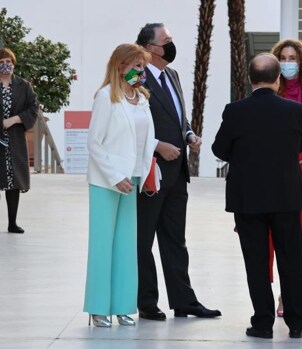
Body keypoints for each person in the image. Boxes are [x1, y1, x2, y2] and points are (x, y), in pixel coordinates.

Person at [212, 53, 302, 339]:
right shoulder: (293, 110)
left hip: (248, 197)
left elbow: (220, 149)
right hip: (286, 196)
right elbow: (301, 144)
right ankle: (297, 322)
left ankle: (263, 322)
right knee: (292, 259)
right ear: (278, 80)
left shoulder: (234, 110)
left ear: (251, 79)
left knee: (255, 262)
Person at [135, 23, 220, 320]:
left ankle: (184, 300)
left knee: (175, 240)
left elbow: (179, 118)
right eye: (166, 41)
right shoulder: (136, 77)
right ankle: (146, 302)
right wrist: (158, 146)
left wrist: (188, 135)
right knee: (143, 241)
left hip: (177, 173)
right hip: (151, 172)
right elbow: (131, 122)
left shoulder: (172, 75)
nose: (171, 46)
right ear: (149, 48)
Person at [84, 43, 157, 327]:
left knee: (127, 246)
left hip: (134, 180)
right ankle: (99, 307)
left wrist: (146, 170)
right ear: (120, 66)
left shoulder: (142, 98)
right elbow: (94, 143)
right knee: (103, 245)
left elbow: (145, 140)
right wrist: (115, 175)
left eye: (143, 66)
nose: (141, 72)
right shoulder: (106, 97)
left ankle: (125, 305)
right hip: (107, 181)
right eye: (136, 66)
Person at [269, 39, 302, 317]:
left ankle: (286, 296)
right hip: (268, 174)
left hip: (299, 174)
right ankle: (264, 295)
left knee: (291, 240)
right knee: (266, 239)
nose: (288, 62)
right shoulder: (268, 91)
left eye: (293, 57)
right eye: (283, 57)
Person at [0, 48, 38, 234]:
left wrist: (14, 120)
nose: (5, 65)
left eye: (8, 61)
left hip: (14, 139)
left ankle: (12, 223)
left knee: (13, 181)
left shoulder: (24, 86)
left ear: (14, 64)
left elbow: (33, 108)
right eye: (1, 61)